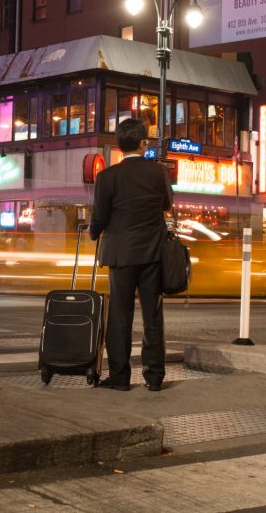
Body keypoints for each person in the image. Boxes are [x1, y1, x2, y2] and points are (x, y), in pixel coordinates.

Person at [89, 118, 173, 391]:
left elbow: (99, 217)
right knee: (153, 316)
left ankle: (120, 377)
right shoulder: (159, 173)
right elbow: (166, 205)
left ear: (119, 145)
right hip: (152, 253)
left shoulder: (108, 176)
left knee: (120, 317)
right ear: (143, 143)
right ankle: (154, 377)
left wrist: (93, 232)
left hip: (120, 254)